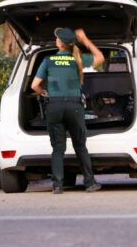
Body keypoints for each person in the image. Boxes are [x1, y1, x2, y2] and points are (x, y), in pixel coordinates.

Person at [31, 27, 105, 194]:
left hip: (54, 107)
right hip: (74, 107)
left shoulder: (48, 60)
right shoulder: (77, 59)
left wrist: (43, 92)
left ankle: (57, 185)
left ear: (59, 43)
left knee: (58, 148)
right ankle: (89, 183)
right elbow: (100, 57)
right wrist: (85, 40)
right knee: (80, 146)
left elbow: (34, 85)